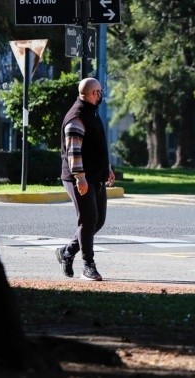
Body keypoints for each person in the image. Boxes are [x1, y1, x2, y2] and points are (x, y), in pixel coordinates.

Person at [55, 77, 115, 281]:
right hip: (79, 177)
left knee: (98, 221)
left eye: (100, 90)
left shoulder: (91, 112)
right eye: (97, 91)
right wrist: (80, 178)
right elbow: (74, 152)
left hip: (95, 176)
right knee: (88, 219)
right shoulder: (76, 118)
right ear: (87, 94)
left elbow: (95, 145)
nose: (100, 94)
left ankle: (67, 252)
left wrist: (106, 168)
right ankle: (88, 266)